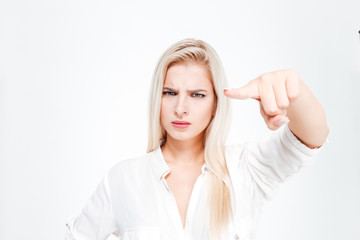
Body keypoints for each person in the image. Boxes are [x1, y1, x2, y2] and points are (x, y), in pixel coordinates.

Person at [65, 38, 329, 240]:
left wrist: (294, 91)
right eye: (169, 92)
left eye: (197, 95)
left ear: (216, 103)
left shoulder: (244, 168)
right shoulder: (122, 180)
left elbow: (311, 138)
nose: (181, 108)